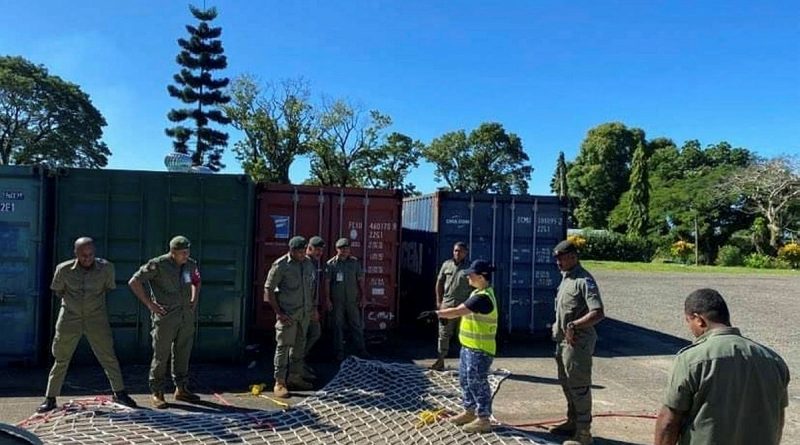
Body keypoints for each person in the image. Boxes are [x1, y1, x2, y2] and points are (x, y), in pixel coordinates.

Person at [654, 288, 790, 445]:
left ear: (699, 319)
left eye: (688, 321)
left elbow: (669, 421)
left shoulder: (691, 359)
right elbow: (778, 419)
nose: (690, 328)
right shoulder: (773, 360)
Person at [37, 237, 137, 413]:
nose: (87, 258)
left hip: (96, 318)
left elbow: (108, 288)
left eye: (90, 255)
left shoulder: (106, 268)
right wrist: (74, 305)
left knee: (108, 356)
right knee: (61, 359)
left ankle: (119, 393)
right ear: (75, 253)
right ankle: (50, 398)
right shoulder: (64, 269)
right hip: (70, 317)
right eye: (83, 255)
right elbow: (58, 290)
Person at [420, 259, 498, 434]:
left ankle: (483, 418)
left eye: (471, 274)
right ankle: (470, 411)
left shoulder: (482, 298)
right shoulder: (476, 293)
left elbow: (458, 311)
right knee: (465, 380)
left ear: (481, 276)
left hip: (480, 350)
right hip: (469, 347)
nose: (468, 276)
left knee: (478, 382)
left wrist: (436, 313)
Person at [129, 235, 202, 409]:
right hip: (166, 316)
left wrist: (194, 299)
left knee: (183, 352)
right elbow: (134, 281)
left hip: (185, 316)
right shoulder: (158, 265)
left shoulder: (190, 264)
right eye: (182, 253)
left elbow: (196, 281)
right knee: (161, 355)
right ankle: (157, 391)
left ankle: (181, 389)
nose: (186, 255)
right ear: (173, 252)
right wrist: (150, 304)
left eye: (187, 252)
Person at [550, 239, 605, 445]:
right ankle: (572, 422)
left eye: (561, 258)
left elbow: (598, 313)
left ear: (573, 257)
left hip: (577, 344)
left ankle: (584, 434)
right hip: (562, 343)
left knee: (579, 387)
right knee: (567, 384)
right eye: (556, 259)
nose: (558, 263)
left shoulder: (584, 280)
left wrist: (574, 325)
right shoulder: (566, 279)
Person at [264, 236, 316, 398]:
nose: (302, 255)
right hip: (288, 315)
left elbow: (310, 287)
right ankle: (279, 382)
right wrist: (279, 313)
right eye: (299, 252)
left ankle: (295, 377)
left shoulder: (308, 263)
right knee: (283, 347)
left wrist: (312, 308)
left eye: (304, 251)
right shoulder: (281, 265)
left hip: (304, 315)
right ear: (291, 251)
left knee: (299, 347)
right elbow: (268, 290)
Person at [430, 242, 472, 371]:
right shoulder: (446, 265)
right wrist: (439, 302)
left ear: (466, 252)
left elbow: (475, 285)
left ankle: (466, 364)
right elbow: (439, 282)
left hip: (463, 307)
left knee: (465, 335)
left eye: (460, 251)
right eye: (455, 251)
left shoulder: (470, 267)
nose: (457, 253)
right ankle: (440, 360)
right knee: (443, 334)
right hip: (447, 305)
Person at [326, 238, 368, 361]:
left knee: (356, 325)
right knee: (337, 326)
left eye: (347, 248)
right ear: (337, 249)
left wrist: (363, 296)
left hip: (352, 301)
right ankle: (339, 352)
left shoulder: (354, 263)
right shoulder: (331, 264)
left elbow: (360, 280)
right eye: (342, 249)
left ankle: (361, 350)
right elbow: (327, 283)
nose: (344, 251)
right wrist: (328, 299)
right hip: (337, 301)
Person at [303, 235, 328, 380]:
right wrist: (313, 309)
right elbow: (306, 289)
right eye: (316, 250)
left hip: (309, 307)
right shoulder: (306, 264)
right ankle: (296, 365)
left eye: (321, 250)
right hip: (304, 309)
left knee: (314, 333)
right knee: (304, 337)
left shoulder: (313, 264)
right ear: (309, 248)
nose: (319, 253)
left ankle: (300, 361)